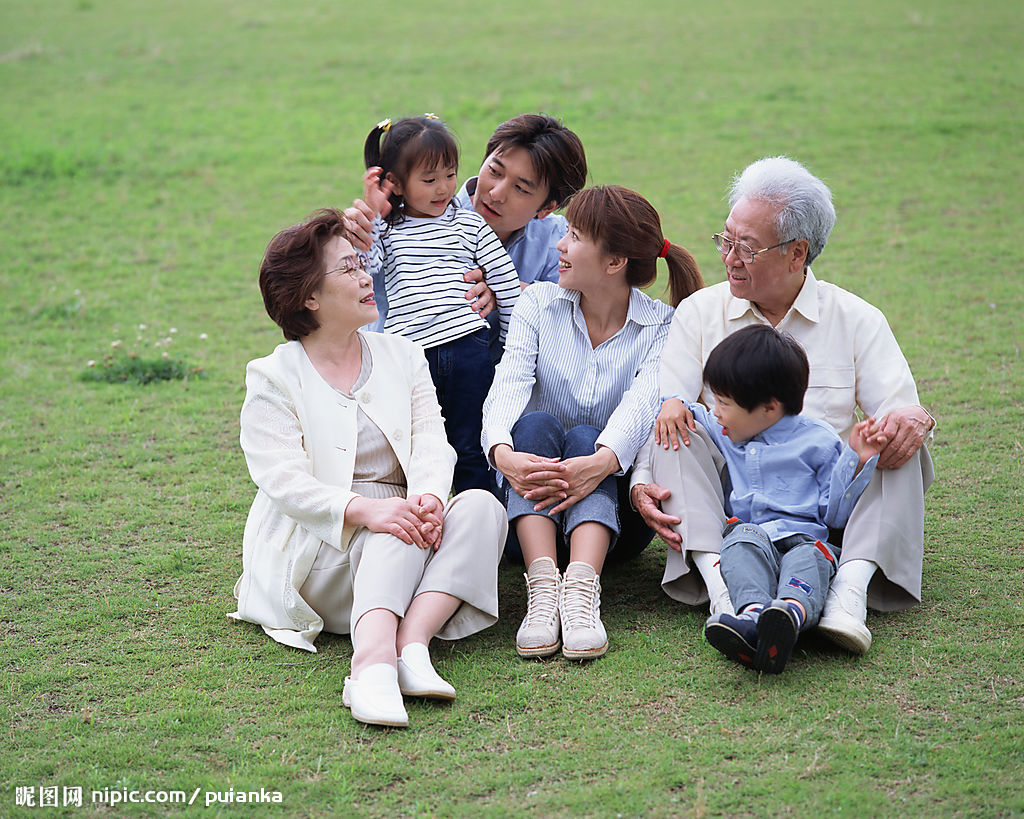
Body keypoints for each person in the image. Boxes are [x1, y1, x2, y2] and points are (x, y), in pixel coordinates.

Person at [630, 156, 935, 655]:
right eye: (726, 239)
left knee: (902, 443)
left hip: (826, 502)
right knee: (678, 423)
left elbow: (900, 410)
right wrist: (643, 477)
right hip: (735, 505)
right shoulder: (699, 313)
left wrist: (912, 421)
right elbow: (669, 409)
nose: (730, 257)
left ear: (798, 254)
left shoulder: (857, 318)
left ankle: (847, 594)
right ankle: (722, 591)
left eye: (747, 247)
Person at [228, 208, 507, 728]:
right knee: (390, 523)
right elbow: (281, 479)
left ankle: (410, 647)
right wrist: (364, 510)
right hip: (319, 554)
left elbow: (430, 439)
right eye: (349, 268)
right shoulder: (272, 376)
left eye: (362, 263)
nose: (365, 275)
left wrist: (427, 496)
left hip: (401, 527)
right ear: (309, 297)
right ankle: (369, 666)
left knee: (481, 508)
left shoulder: (403, 354)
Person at [481, 185, 703, 660]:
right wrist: (504, 457)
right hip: (529, 513)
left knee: (587, 437)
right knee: (535, 423)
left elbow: (640, 409)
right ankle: (542, 591)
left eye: (575, 235)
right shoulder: (537, 303)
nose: (559, 244)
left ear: (614, 262)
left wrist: (598, 464)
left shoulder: (663, 327)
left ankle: (581, 594)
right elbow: (508, 385)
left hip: (616, 525)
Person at [683, 325, 886, 673]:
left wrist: (857, 460)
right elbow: (694, 413)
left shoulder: (819, 441)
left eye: (723, 403)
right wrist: (674, 404)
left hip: (805, 538)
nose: (714, 411)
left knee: (810, 560)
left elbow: (834, 515)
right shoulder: (727, 430)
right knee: (739, 545)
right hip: (754, 534)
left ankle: (788, 615)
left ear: (769, 408)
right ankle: (752, 617)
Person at [359, 114, 521, 494]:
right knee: (416, 448)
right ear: (395, 184)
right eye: (429, 180)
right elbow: (366, 268)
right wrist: (373, 213)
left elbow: (505, 283)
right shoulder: (387, 229)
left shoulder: (470, 225)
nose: (444, 188)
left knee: (470, 446)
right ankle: (420, 525)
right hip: (409, 359)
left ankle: (478, 527)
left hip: (469, 350)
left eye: (450, 175)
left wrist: (511, 348)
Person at [349, 113, 587, 328]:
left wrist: (508, 290)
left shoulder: (559, 241)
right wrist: (352, 243)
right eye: (495, 171)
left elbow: (588, 312)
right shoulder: (401, 218)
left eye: (520, 188)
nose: (496, 193)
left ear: (546, 208)